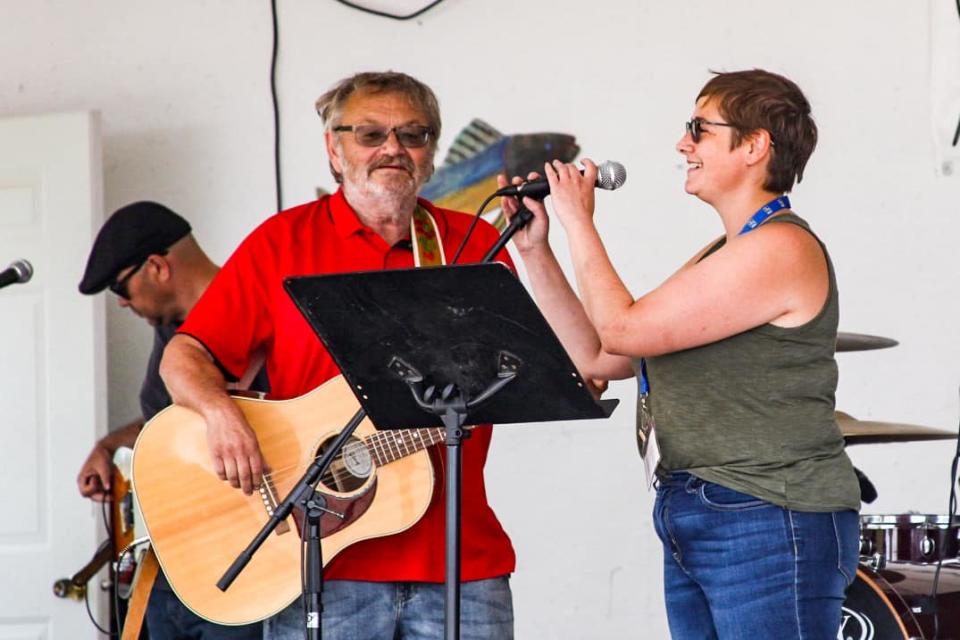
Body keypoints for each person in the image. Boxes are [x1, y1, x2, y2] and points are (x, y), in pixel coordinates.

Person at [501, 69, 860, 639]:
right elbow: (600, 356)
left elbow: (621, 329)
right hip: (703, 506)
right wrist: (537, 252)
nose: (682, 144)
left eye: (700, 128)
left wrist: (578, 219)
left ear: (754, 145)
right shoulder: (724, 252)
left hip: (768, 512)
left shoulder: (781, 246)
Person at [159, 71, 516, 640]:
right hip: (318, 560)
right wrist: (221, 415)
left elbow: (516, 368)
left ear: (431, 149)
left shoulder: (471, 245)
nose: (393, 148)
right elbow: (185, 356)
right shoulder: (281, 243)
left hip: (459, 562)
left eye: (413, 134)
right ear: (334, 147)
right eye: (370, 134)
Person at [77, 201, 264, 640]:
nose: (122, 304)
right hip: (172, 569)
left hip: (244, 570)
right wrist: (108, 447)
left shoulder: (261, 311)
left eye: (121, 289)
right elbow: (167, 424)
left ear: (158, 266)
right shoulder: (172, 334)